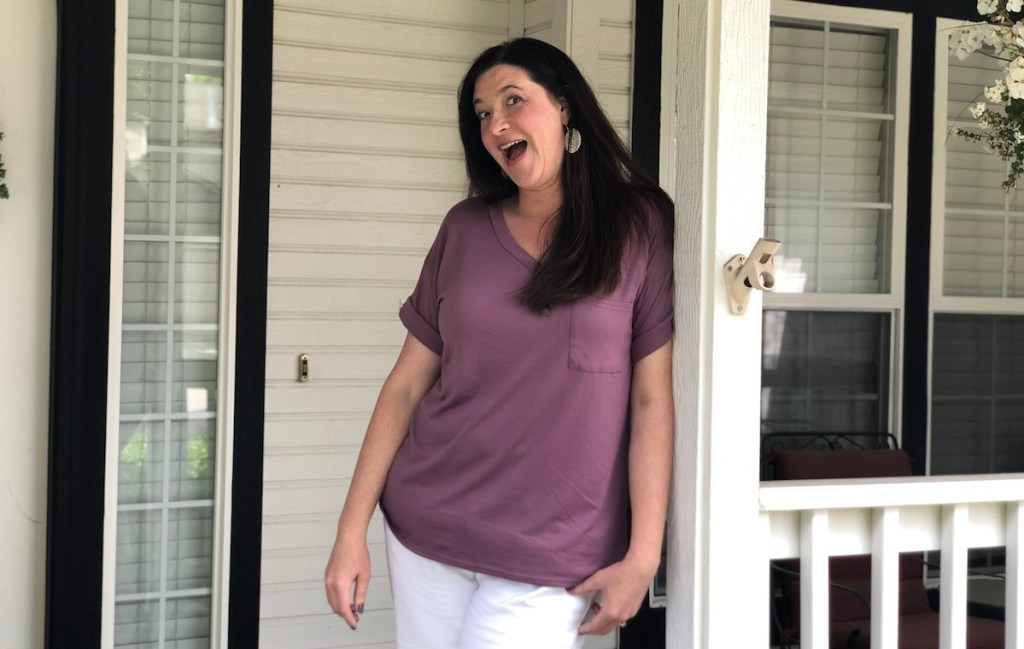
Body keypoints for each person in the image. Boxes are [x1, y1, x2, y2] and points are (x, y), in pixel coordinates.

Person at [324, 37, 675, 649]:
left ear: (565, 108)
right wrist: (350, 531)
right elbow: (407, 386)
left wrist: (643, 556)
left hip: (552, 553)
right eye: (483, 113)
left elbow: (651, 398)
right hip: (428, 529)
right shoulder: (464, 229)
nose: (496, 124)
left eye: (514, 100)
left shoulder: (639, 227)